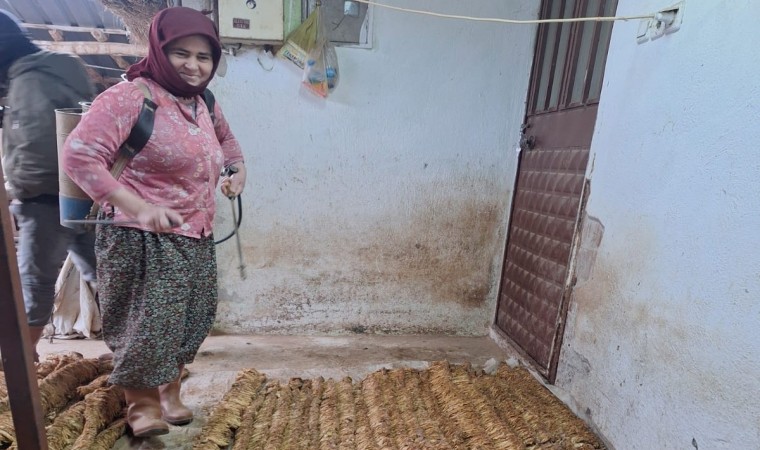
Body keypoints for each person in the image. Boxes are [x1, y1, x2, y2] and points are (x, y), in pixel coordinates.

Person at [62, 7, 246, 438]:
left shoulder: (204, 103)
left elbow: (228, 143)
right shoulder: (130, 97)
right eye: (181, 53)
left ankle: (169, 392)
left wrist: (237, 171)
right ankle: (141, 406)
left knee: (191, 319)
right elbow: (78, 156)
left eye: (203, 57)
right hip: (140, 236)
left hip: (195, 233)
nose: (193, 65)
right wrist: (139, 207)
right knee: (146, 324)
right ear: (160, 51)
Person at [0, 10, 97, 361]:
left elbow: (37, 144)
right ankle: (138, 352)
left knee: (34, 282)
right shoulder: (65, 68)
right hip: (84, 193)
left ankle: (21, 362)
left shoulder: (29, 81)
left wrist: (20, 191)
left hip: (45, 198)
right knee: (104, 273)